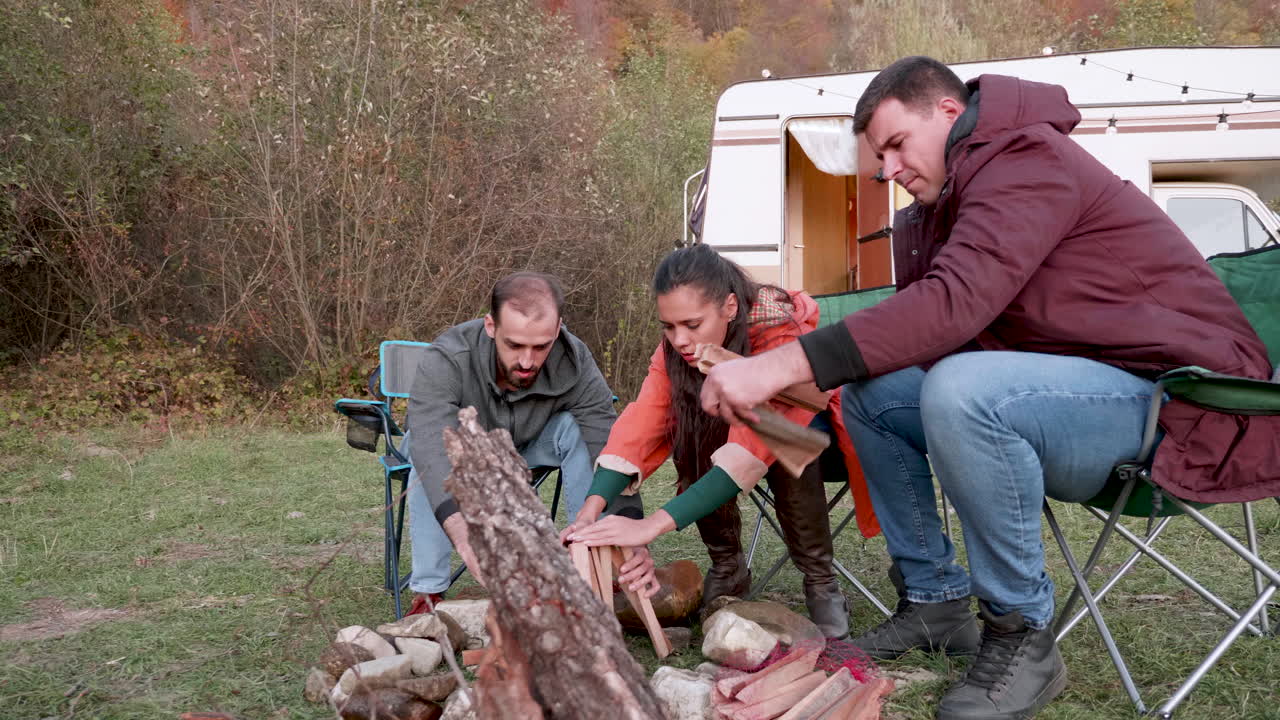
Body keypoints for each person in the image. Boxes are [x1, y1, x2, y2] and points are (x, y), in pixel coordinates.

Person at [697, 56, 1279, 720]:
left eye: (895, 145)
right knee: (877, 396)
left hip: (1179, 400)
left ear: (948, 112)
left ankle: (1022, 634)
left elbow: (956, 304)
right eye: (878, 157)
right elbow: (922, 330)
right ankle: (935, 603)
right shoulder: (943, 201)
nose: (888, 169)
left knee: (964, 390)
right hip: (1085, 390)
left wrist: (779, 363)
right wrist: (798, 387)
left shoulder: (1026, 158)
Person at [564, 244, 880, 639]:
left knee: (783, 446)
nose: (679, 339)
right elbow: (643, 422)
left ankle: (820, 581)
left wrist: (651, 526)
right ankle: (727, 565)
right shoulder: (674, 351)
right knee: (689, 428)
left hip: (813, 448)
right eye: (668, 326)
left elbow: (757, 443)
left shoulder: (778, 334)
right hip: (733, 445)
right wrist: (589, 510)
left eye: (692, 325)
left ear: (729, 307)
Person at [404, 271, 651, 615]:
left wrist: (631, 525)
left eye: (541, 346)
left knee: (576, 427)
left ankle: (595, 560)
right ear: (491, 326)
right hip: (463, 447)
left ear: (558, 328)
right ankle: (429, 593)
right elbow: (431, 441)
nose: (527, 361)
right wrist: (465, 537)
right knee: (424, 446)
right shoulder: (448, 355)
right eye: (515, 345)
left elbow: (609, 443)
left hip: (531, 444)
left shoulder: (574, 359)